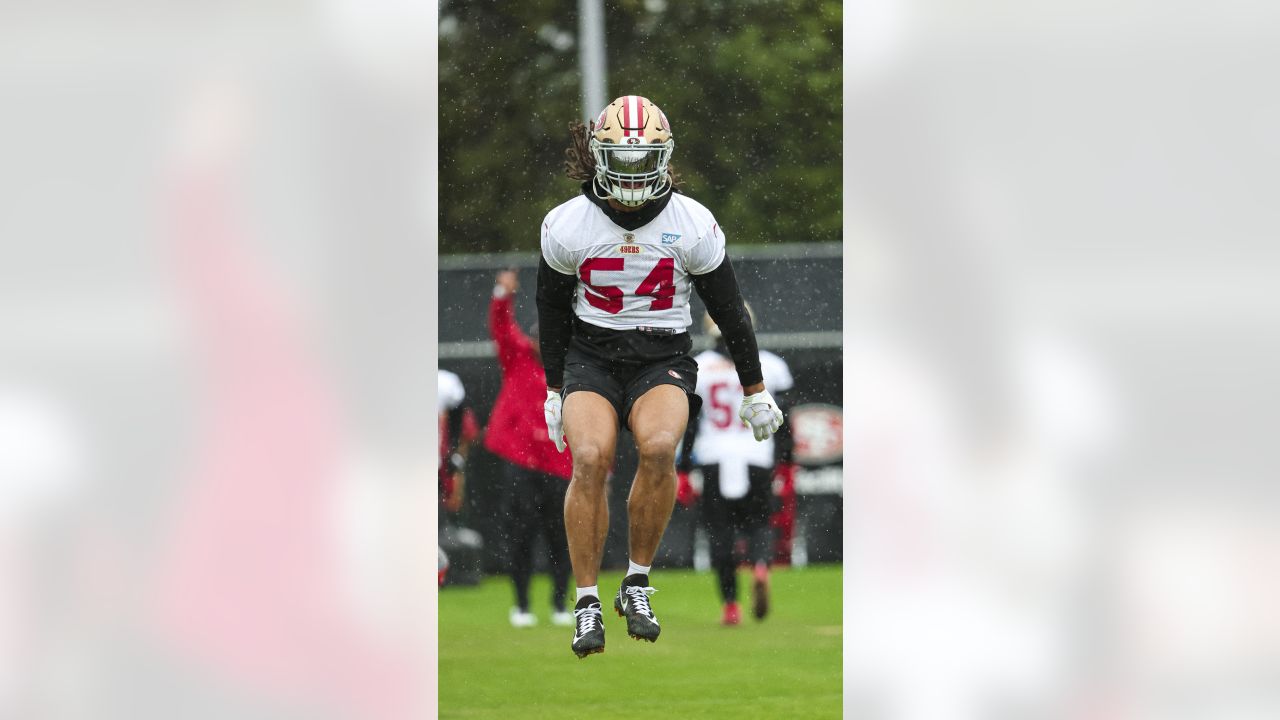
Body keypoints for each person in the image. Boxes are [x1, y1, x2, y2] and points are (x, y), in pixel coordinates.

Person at [536, 95, 784, 658]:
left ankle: (638, 581)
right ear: (599, 157)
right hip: (590, 357)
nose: (629, 173)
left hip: (660, 357)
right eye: (619, 160)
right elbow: (550, 311)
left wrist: (755, 388)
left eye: (640, 159)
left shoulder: (692, 222)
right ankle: (586, 601)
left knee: (659, 445)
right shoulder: (567, 224)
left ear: (664, 157)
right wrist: (554, 388)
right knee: (592, 457)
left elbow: (728, 309)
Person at [677, 305, 796, 625]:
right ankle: (759, 564)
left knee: (720, 532)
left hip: (713, 454)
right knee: (758, 522)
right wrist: (786, 463)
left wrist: (683, 469)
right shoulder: (770, 366)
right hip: (756, 453)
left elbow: (688, 425)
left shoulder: (699, 367)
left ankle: (731, 604)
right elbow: (784, 424)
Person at [484, 269, 575, 628]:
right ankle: (521, 605)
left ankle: (558, 605)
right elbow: (502, 328)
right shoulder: (519, 358)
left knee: (561, 538)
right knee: (519, 536)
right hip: (521, 462)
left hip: (557, 464)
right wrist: (501, 294)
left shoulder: (569, 372)